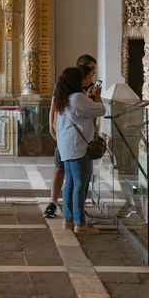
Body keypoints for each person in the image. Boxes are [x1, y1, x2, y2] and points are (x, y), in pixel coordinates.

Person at [45, 54, 97, 219]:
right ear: (82, 66)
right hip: (68, 136)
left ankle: (75, 210)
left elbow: (86, 110)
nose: (93, 73)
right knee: (63, 170)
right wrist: (52, 128)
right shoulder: (68, 84)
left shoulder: (88, 86)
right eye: (91, 69)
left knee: (77, 180)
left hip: (79, 137)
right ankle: (54, 204)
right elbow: (54, 106)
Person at [56, 65, 106, 234]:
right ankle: (80, 223)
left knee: (70, 183)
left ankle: (68, 219)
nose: (88, 79)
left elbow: (81, 112)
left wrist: (88, 97)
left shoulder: (65, 97)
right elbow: (100, 110)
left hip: (67, 146)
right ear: (79, 80)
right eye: (86, 77)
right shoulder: (78, 97)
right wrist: (97, 96)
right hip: (79, 147)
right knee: (80, 185)